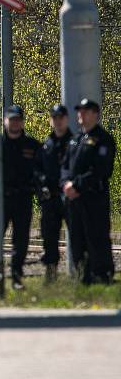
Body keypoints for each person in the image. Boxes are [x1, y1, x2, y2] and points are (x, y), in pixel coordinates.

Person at [0, 105, 40, 292]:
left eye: (17, 119)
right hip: (1, 199)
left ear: (22, 122)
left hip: (23, 200)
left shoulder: (31, 145)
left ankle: (16, 277)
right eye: (11, 119)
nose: (14, 123)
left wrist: (31, 187)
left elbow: (39, 170)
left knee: (20, 241)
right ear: (5, 121)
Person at [61, 98, 117, 285]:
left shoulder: (103, 139)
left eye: (86, 111)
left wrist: (76, 185)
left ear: (95, 114)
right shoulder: (75, 140)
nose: (81, 114)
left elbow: (101, 170)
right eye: (79, 111)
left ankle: (102, 276)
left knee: (97, 237)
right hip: (74, 200)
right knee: (77, 238)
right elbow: (65, 167)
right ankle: (82, 277)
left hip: (94, 199)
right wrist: (66, 184)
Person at [35, 104, 72, 283]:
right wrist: (41, 187)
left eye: (61, 118)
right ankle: (51, 272)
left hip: (70, 198)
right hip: (51, 198)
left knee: (78, 235)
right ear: (51, 120)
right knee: (49, 237)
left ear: (66, 119)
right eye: (54, 118)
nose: (57, 121)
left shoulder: (74, 143)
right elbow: (37, 170)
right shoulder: (46, 145)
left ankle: (80, 271)